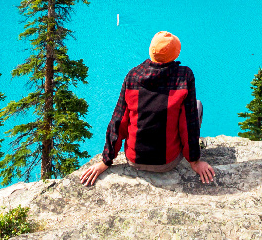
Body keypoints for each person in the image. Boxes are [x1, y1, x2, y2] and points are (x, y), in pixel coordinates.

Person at [79, 30, 217, 185]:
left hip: (134, 160)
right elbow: (188, 124)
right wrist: (195, 162)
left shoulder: (133, 75)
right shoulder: (184, 77)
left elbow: (118, 121)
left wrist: (106, 161)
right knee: (196, 106)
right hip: (167, 163)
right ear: (176, 54)